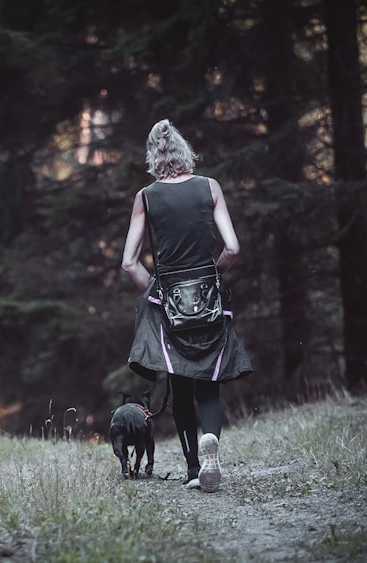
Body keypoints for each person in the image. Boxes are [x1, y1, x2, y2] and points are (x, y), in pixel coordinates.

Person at [120, 119, 253, 493]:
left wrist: (157, 289)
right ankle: (212, 439)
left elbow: (129, 262)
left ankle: (194, 468)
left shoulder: (146, 197)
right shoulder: (209, 188)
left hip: (171, 303)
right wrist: (213, 276)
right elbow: (233, 247)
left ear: (153, 157)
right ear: (183, 152)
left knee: (180, 386)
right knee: (209, 385)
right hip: (209, 297)